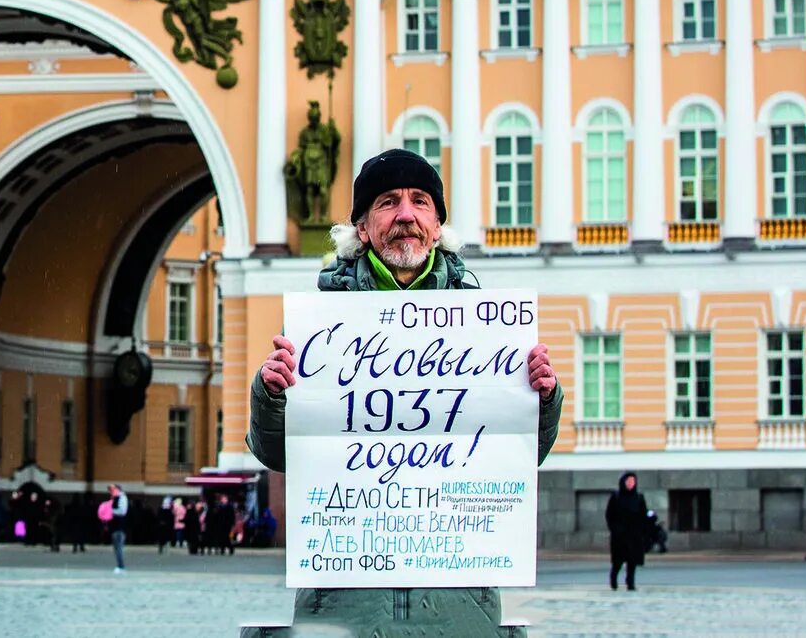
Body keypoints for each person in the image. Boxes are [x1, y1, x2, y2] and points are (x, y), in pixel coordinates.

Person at [249, 149, 565, 622]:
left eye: (420, 201)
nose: (405, 215)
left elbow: (520, 453)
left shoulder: (485, 328)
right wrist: (270, 393)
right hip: (346, 603)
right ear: (361, 227)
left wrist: (543, 397)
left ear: (437, 226)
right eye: (388, 202)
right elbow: (276, 453)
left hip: (458, 605)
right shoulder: (319, 322)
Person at [605, 472, 650, 590]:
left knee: (632, 561)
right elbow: (609, 515)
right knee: (618, 561)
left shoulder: (639, 498)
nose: (630, 484)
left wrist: (643, 531)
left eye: (633, 481)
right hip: (619, 535)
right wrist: (614, 529)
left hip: (634, 534)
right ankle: (613, 579)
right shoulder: (616, 497)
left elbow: (643, 515)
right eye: (628, 481)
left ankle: (630, 583)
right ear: (623, 482)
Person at [104, 483, 129, 573]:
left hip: (119, 528)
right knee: (116, 548)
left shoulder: (122, 498)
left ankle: (121, 566)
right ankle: (120, 565)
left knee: (118, 548)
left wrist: (110, 511)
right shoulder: (114, 498)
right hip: (115, 527)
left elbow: (122, 511)